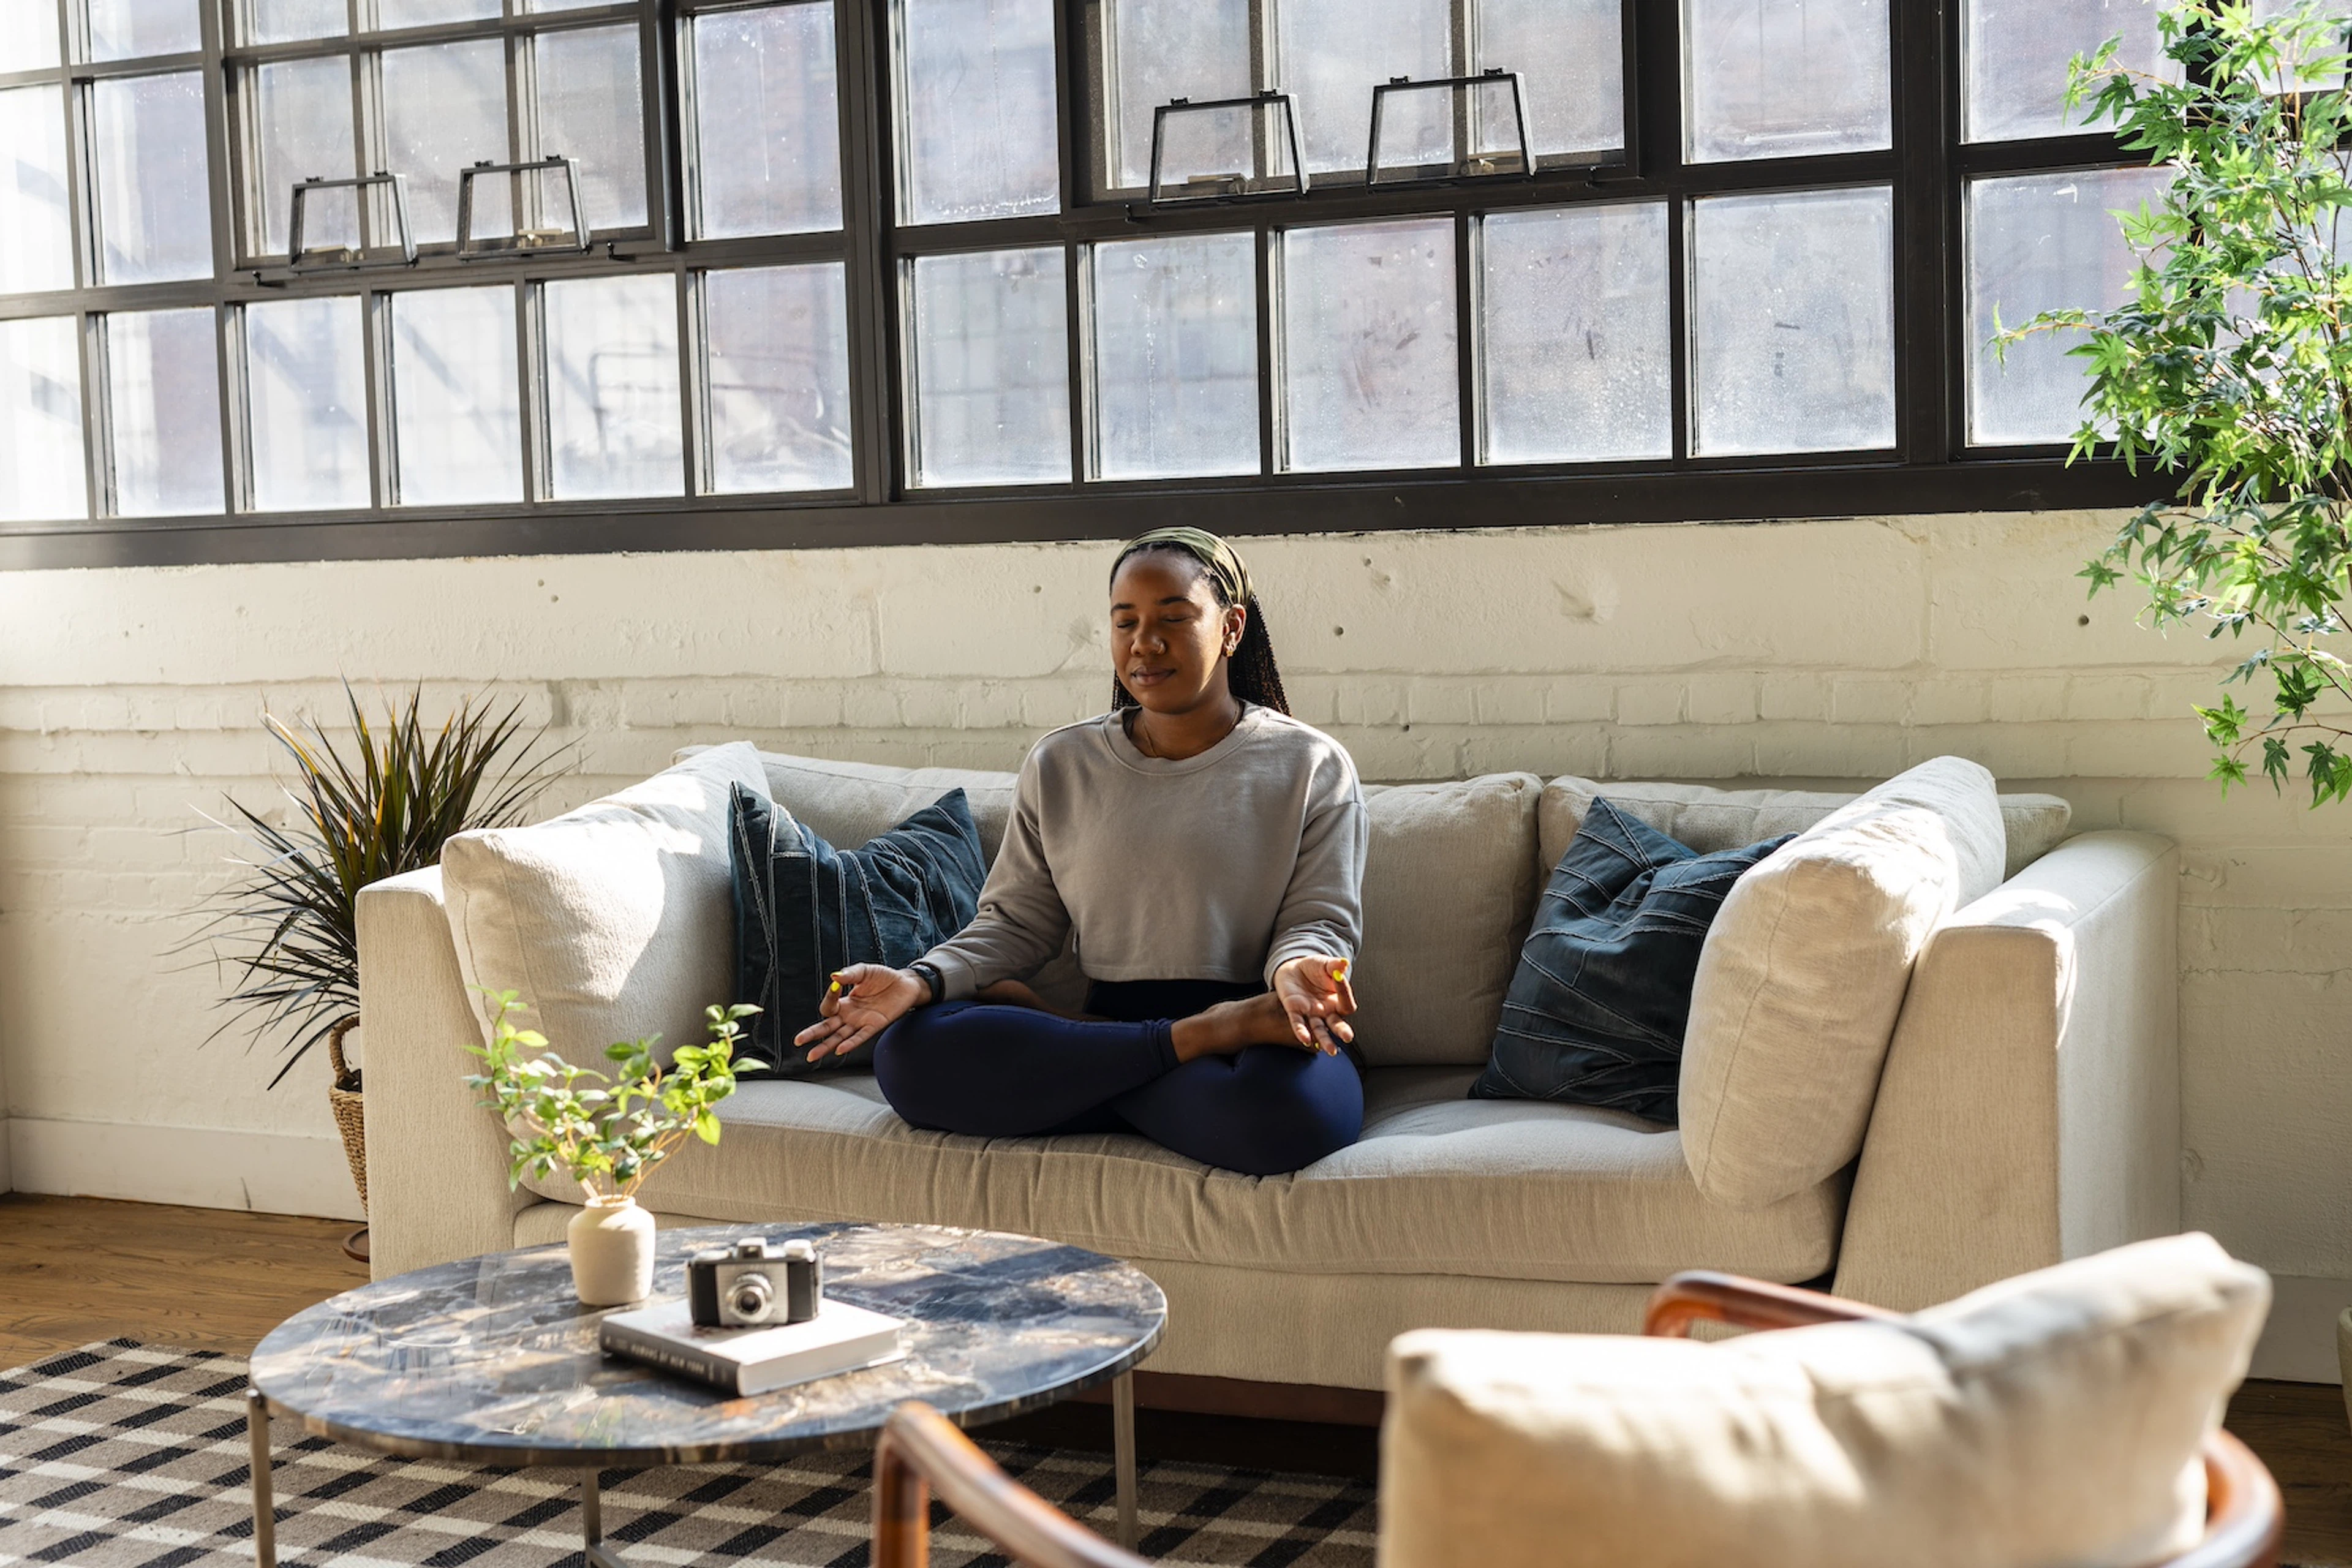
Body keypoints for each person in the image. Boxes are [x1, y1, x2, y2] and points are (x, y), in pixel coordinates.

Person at [794, 527, 1368, 1177]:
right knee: (907, 1054)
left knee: (1293, 1117)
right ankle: (1196, 1040)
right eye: (1126, 623)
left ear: (1232, 628)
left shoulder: (1310, 764)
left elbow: (1318, 921)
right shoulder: (1063, 762)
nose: (1143, 643)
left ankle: (1085, 1066)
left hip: (1259, 1024)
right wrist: (920, 978)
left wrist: (1299, 971)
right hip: (1134, 1023)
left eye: (1173, 619)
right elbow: (1015, 924)